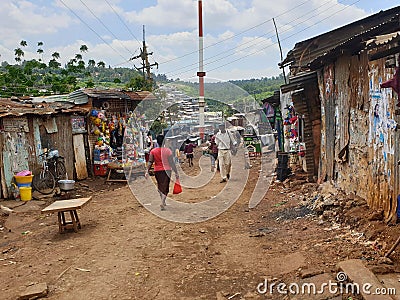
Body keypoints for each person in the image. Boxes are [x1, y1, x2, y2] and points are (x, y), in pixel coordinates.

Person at [146, 135, 179, 210]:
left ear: (157, 141)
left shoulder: (153, 151)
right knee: (165, 186)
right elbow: (171, 163)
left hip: (157, 170)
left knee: (160, 186)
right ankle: (162, 201)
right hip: (167, 170)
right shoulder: (168, 151)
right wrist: (176, 172)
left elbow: (150, 161)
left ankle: (163, 201)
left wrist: (146, 171)